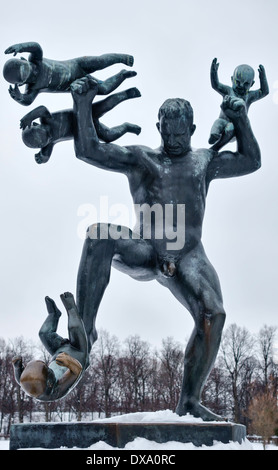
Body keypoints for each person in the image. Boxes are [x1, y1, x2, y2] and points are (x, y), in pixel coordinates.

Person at [69, 76, 261, 421]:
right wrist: (82, 103)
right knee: (99, 234)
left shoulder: (205, 161)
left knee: (213, 314)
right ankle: (84, 331)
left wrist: (242, 119)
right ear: (159, 127)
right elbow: (89, 150)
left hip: (188, 254)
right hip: (145, 248)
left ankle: (189, 400)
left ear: (192, 128)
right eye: (167, 133)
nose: (172, 140)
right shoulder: (143, 159)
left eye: (180, 133)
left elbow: (250, 161)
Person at [20, 87, 141, 164]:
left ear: (37, 124)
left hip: (83, 112)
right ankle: (126, 127)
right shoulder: (49, 143)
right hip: (85, 128)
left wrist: (28, 117)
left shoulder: (46, 119)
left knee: (105, 105)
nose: (50, 137)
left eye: (47, 133)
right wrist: (41, 158)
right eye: (47, 140)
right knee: (108, 136)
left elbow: (42, 109)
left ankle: (126, 94)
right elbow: (46, 156)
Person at [3, 41, 136, 106]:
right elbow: (28, 101)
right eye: (27, 75)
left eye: (27, 67)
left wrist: (21, 47)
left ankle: (121, 58)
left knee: (100, 61)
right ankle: (122, 75)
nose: (33, 71)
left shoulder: (36, 59)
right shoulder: (34, 88)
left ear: (24, 60)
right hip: (77, 84)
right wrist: (19, 97)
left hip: (77, 65)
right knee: (104, 89)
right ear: (22, 83)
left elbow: (36, 47)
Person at [12, 292, 88, 401]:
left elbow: (20, 380)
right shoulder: (56, 391)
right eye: (48, 370)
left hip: (59, 351)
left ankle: (54, 314)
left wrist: (17, 368)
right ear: (50, 383)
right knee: (74, 328)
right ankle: (71, 308)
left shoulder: (31, 386)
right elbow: (77, 370)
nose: (48, 368)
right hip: (77, 353)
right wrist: (69, 362)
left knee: (43, 333)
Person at [209, 58, 269, 149]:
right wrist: (213, 72)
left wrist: (262, 77)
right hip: (222, 120)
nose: (241, 86)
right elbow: (215, 85)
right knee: (218, 123)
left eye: (246, 84)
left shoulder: (249, 96)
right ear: (232, 79)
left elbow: (264, 92)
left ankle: (218, 145)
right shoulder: (228, 91)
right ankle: (214, 136)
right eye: (237, 82)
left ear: (251, 84)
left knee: (230, 127)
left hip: (236, 127)